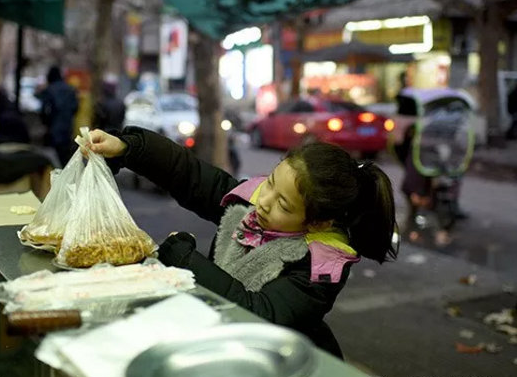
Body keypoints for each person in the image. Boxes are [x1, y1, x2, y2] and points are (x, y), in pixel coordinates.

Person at [82, 127, 398, 357]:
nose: (264, 202)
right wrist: (130, 147)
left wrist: (186, 262)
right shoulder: (254, 205)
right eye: (271, 182)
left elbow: (260, 312)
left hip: (284, 363)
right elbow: (190, 176)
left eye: (283, 205)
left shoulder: (319, 268)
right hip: (224, 345)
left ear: (317, 222)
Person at [36, 66, 79, 164]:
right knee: (66, 160)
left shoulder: (49, 90)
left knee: (52, 161)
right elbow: (75, 108)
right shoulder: (70, 89)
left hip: (53, 130)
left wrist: (46, 123)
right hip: (67, 129)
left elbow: (44, 110)